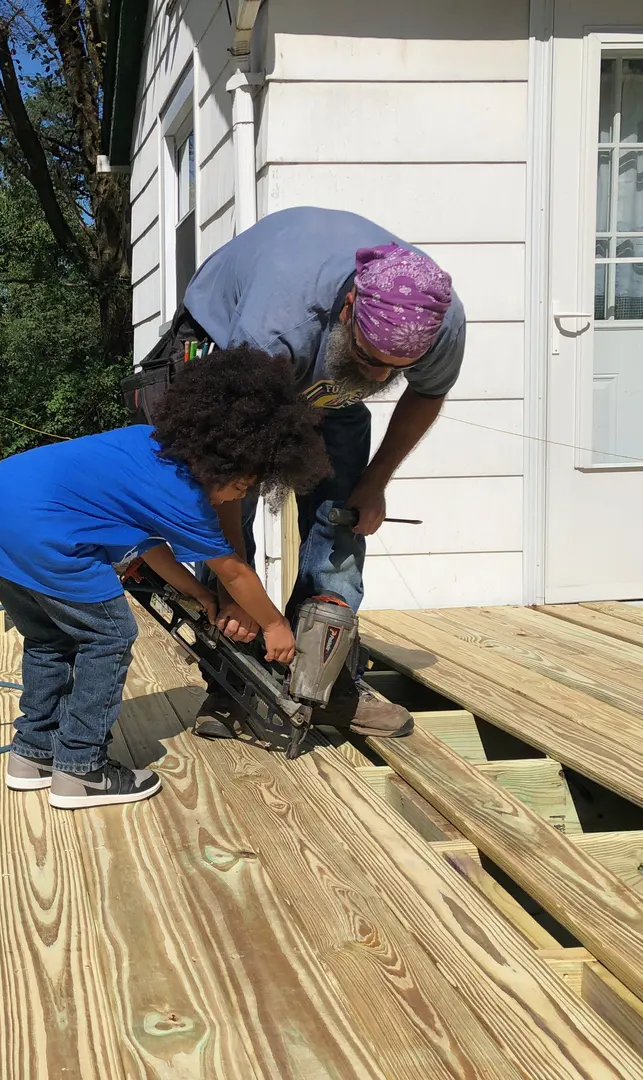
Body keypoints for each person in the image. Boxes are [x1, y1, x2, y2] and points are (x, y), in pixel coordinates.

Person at [0, 348, 330, 810]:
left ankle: (34, 754)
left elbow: (148, 546)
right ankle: (81, 770)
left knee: (48, 639)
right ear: (226, 462)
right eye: (241, 488)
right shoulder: (184, 496)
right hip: (42, 532)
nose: (236, 499)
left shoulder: (148, 446)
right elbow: (236, 572)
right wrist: (275, 625)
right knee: (109, 637)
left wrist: (198, 593)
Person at [172, 207, 465, 739]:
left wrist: (374, 482)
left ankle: (324, 683)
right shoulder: (277, 325)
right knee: (229, 499)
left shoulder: (438, 321)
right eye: (371, 358)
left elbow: (428, 392)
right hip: (228, 344)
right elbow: (224, 472)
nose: (379, 377)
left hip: (320, 363)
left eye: (395, 368)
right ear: (349, 306)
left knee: (343, 512)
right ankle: (232, 680)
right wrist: (239, 582)